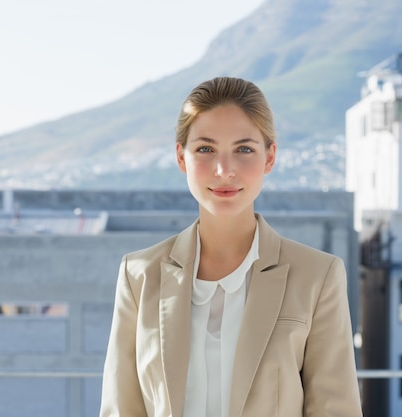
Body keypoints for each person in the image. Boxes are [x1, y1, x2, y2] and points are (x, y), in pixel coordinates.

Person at [99, 76, 363, 417]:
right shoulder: (139, 276)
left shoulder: (317, 276)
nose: (225, 171)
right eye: (206, 149)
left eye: (244, 150)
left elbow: (336, 409)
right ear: (182, 157)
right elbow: (121, 409)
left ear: (269, 157)